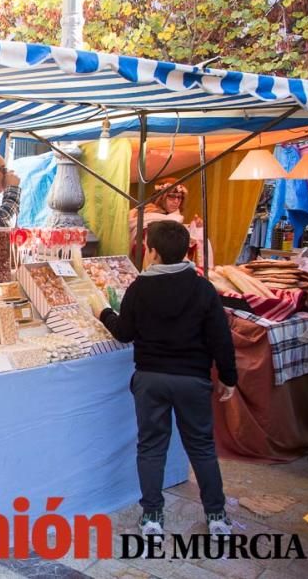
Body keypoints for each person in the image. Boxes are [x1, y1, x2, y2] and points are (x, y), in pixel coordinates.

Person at [92, 220, 237, 537]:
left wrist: (103, 312)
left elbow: (124, 333)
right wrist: (229, 377)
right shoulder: (202, 288)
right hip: (192, 379)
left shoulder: (139, 288)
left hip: (151, 379)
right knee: (201, 447)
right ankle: (216, 516)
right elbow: (220, 338)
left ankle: (153, 517)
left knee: (151, 447)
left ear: (152, 252)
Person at [129, 178, 211, 267]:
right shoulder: (146, 214)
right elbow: (140, 248)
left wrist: (196, 229)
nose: (176, 201)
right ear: (161, 197)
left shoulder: (175, 217)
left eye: (179, 197)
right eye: (172, 196)